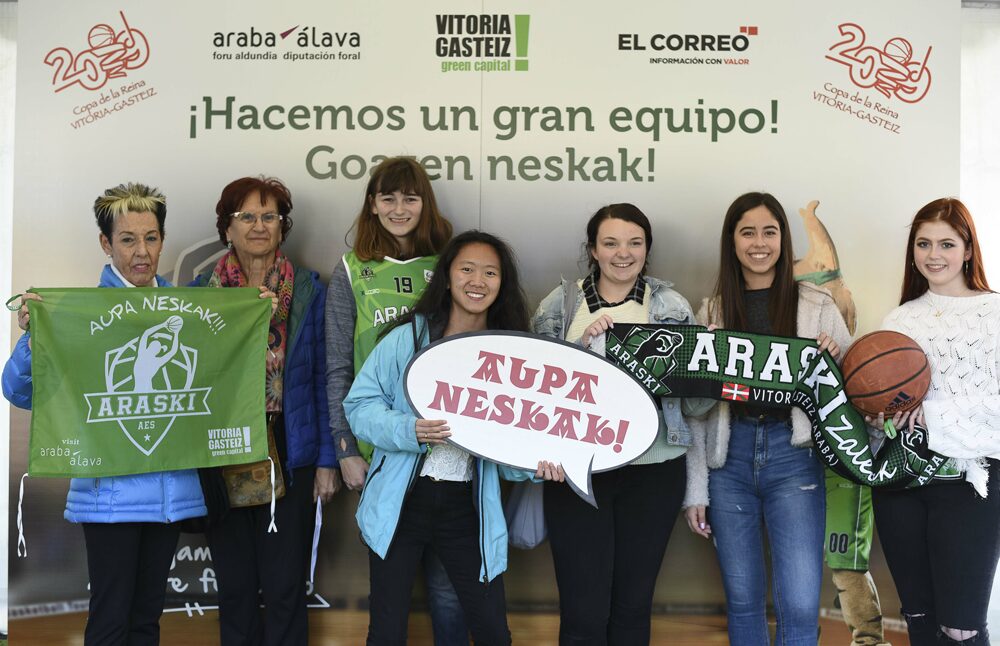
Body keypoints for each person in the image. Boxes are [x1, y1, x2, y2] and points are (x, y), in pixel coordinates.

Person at [2, 182, 207, 645]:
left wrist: (252, 319)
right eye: (128, 239)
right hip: (109, 496)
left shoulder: (190, 311)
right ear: (106, 244)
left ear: (162, 240)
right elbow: (17, 390)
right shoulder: (75, 313)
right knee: (111, 618)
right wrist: (37, 338)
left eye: (151, 238)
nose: (142, 252)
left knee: (146, 620)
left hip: (170, 492)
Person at [344, 230, 564, 645]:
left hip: (468, 508)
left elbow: (510, 448)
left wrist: (537, 467)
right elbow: (360, 407)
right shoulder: (406, 338)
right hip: (400, 505)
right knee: (386, 630)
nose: (477, 280)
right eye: (466, 269)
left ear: (502, 284)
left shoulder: (512, 357)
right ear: (446, 277)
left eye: (490, 272)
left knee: (492, 631)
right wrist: (408, 430)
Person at [532, 203, 705, 645]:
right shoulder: (560, 304)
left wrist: (708, 360)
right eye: (610, 243)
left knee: (632, 606)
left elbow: (697, 406)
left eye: (634, 243)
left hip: (653, 470)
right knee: (582, 609)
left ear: (647, 249)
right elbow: (532, 392)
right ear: (593, 249)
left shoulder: (670, 306)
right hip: (579, 472)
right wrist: (590, 350)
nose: (622, 253)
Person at [683, 191, 850, 645]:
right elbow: (695, 415)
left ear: (783, 238)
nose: (760, 243)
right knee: (742, 602)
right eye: (748, 232)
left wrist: (836, 359)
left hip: (793, 457)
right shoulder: (713, 311)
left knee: (798, 604)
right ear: (732, 241)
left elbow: (851, 391)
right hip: (728, 461)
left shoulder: (817, 305)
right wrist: (695, 488)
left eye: (770, 232)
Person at [190, 176, 338, 646]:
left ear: (282, 226)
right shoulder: (198, 293)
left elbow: (323, 377)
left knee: (285, 588)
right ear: (227, 229)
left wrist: (327, 462)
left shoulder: (310, 291)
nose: (259, 226)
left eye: (269, 216)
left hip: (288, 454)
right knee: (234, 589)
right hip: (221, 453)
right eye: (246, 217)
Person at [324, 156, 465, 643]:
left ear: (425, 203)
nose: (399, 208)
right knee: (389, 595)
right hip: (381, 450)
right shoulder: (350, 270)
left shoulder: (452, 261)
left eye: (410, 197)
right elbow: (338, 366)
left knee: (449, 592)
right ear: (372, 204)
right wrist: (344, 448)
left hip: (451, 451)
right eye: (388, 197)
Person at [872, 197, 999, 646]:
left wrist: (934, 415)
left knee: (961, 628)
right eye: (923, 243)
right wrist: (879, 415)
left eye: (947, 243)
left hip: (970, 483)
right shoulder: (900, 320)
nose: (933, 254)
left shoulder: (994, 315)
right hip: (902, 483)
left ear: (968, 249)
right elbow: (884, 416)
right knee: (921, 622)